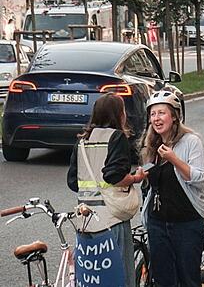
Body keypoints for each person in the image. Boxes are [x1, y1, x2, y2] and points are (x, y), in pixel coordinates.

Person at [68, 94, 143, 287]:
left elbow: (72, 181)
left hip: (86, 220)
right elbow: (114, 176)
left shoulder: (82, 141)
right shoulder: (116, 137)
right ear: (118, 114)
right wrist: (135, 178)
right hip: (112, 219)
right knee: (119, 277)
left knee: (93, 278)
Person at [141, 90, 204, 287]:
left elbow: (198, 178)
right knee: (163, 280)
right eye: (153, 114)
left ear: (174, 116)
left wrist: (174, 159)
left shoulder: (191, 141)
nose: (156, 118)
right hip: (158, 223)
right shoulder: (152, 145)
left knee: (188, 278)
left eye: (161, 113)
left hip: (186, 223)